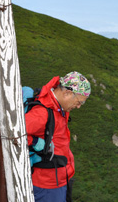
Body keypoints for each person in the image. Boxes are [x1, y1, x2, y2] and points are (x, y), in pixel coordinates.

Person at [25, 72, 91, 202]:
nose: (78, 106)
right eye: (79, 102)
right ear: (67, 93)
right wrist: (36, 142)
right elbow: (13, 134)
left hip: (58, 178)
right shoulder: (42, 113)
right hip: (46, 184)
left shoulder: (59, 108)